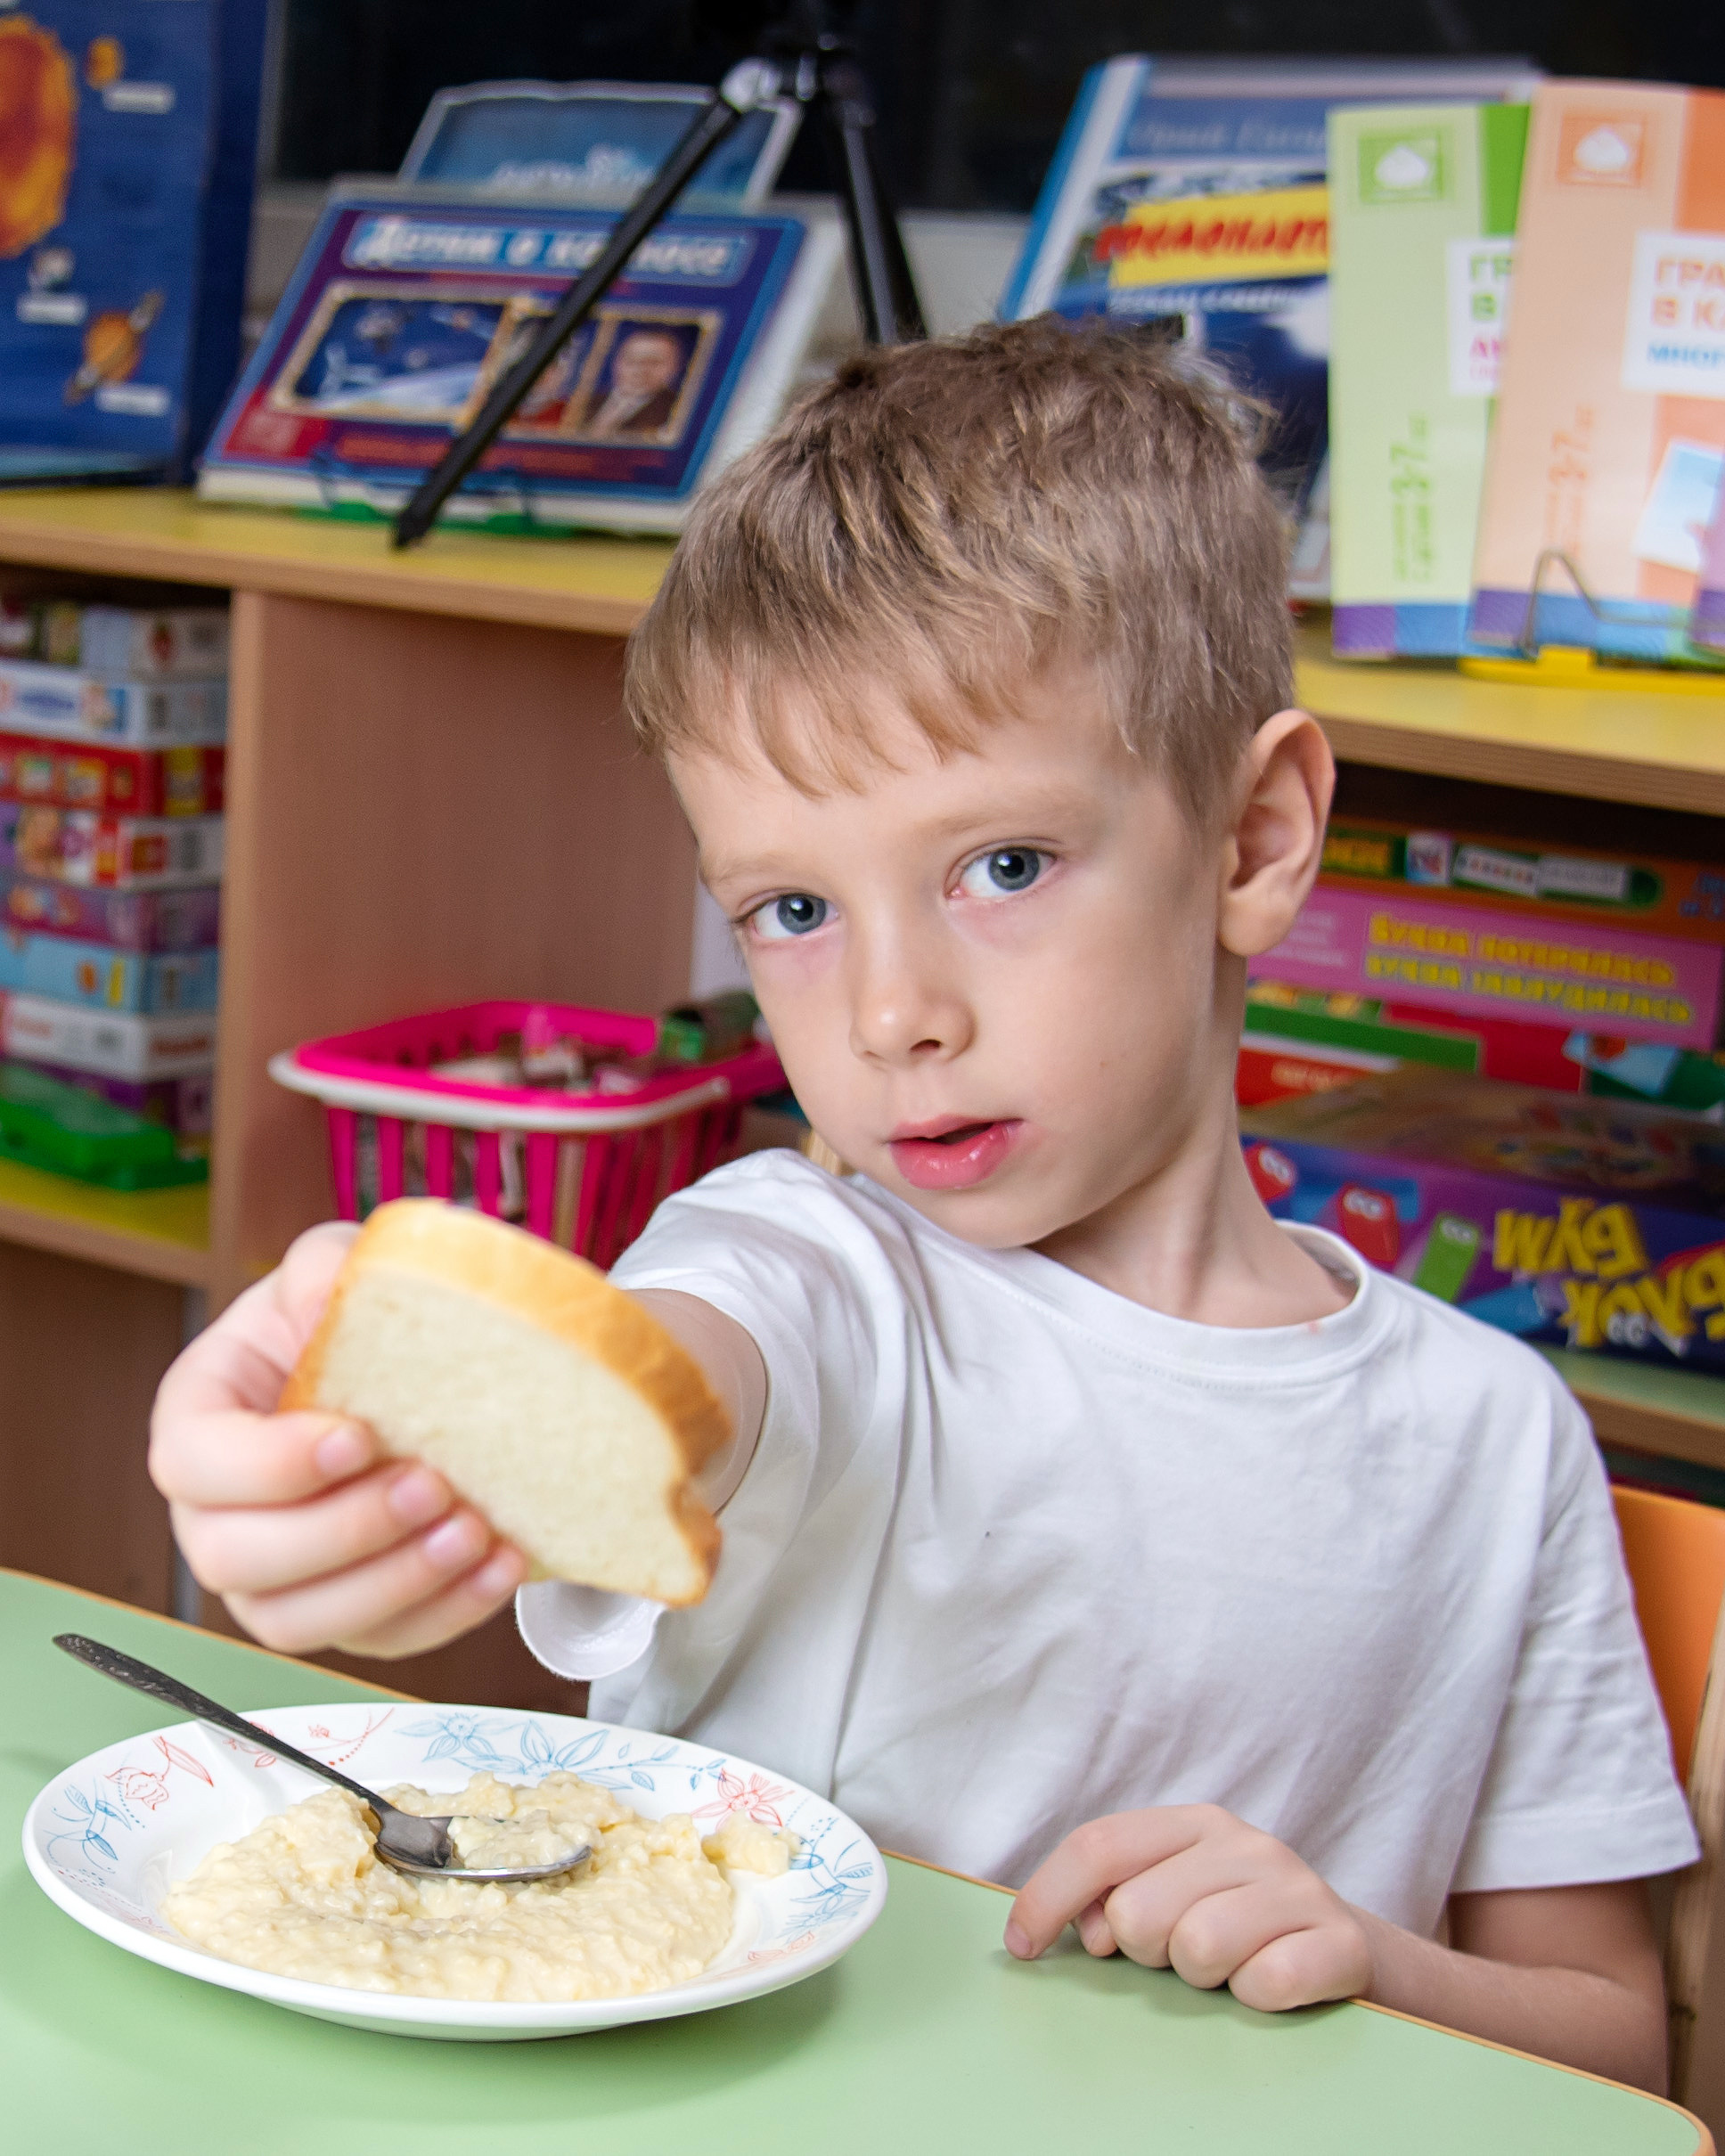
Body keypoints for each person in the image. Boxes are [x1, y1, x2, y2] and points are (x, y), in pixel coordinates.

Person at [150, 320, 1696, 2090]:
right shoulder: (805, 1263)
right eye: (790, 911)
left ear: (1255, 837)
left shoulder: (1492, 1444)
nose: (890, 1015)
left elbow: (1615, 2048)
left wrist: (1360, 1960)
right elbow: (667, 1383)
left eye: (1002, 866)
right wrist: (380, 1425)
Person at [574, 325, 689, 437]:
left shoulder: (678, 413)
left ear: (674, 367)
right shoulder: (582, 402)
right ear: (616, 363)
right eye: (632, 361)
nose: (639, 371)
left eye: (653, 363)